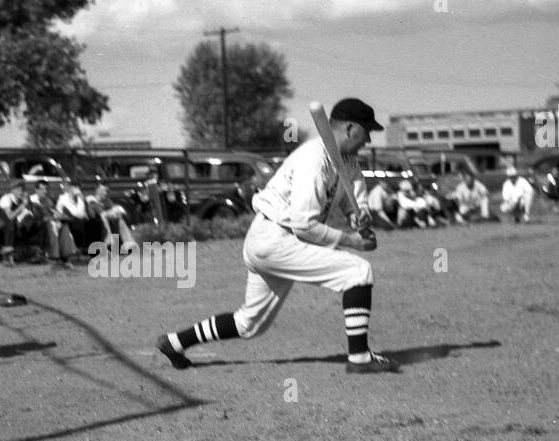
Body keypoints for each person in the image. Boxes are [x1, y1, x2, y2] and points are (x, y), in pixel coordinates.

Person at [154, 97, 398, 375]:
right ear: (351, 128)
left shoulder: (348, 161)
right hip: (277, 238)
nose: (368, 140)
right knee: (357, 271)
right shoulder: (313, 160)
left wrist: (360, 213)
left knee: (250, 324)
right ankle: (359, 358)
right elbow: (304, 226)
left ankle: (175, 343)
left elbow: (352, 190)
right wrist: (353, 241)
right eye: (367, 133)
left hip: (273, 242)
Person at [30, 181, 76, 269]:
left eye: (46, 189)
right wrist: (53, 219)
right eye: (42, 189)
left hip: (48, 222)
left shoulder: (48, 200)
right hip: (36, 226)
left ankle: (65, 257)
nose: (45, 191)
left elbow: (54, 213)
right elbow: (35, 217)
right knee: (52, 224)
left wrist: (59, 218)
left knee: (63, 225)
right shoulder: (31, 200)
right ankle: (54, 257)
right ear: (36, 190)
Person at [0, 182, 44, 266]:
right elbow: (10, 216)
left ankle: (40, 252)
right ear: (12, 191)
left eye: (22, 190)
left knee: (40, 224)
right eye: (18, 190)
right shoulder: (6, 199)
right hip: (4, 225)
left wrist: (29, 204)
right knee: (10, 225)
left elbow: (30, 214)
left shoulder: (22, 199)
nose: (21, 192)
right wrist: (23, 205)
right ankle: (7, 257)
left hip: (18, 225)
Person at [85, 183, 137, 249]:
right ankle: (109, 242)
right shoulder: (91, 199)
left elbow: (116, 208)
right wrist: (113, 212)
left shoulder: (106, 200)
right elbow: (101, 212)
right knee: (106, 217)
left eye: (106, 191)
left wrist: (114, 212)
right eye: (103, 190)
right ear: (97, 190)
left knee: (120, 219)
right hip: (94, 222)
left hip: (106, 219)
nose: (105, 192)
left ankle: (128, 244)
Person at [54, 182, 93, 249]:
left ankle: (85, 248)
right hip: (66, 221)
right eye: (76, 188)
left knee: (92, 221)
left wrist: (83, 201)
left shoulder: (78, 199)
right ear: (71, 188)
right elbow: (77, 214)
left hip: (76, 221)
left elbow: (87, 214)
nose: (78, 190)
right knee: (81, 222)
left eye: (79, 188)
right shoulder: (63, 198)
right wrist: (80, 199)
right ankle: (80, 248)